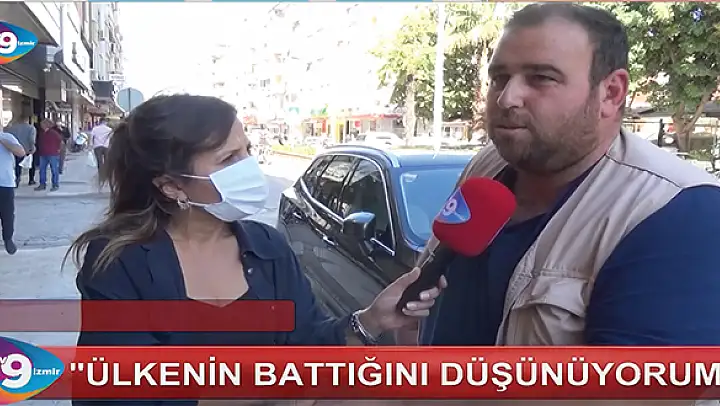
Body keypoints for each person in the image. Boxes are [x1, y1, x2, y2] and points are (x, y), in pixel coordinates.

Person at [67, 95, 445, 405]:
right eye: (228, 158)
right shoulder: (120, 262)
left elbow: (310, 345)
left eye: (247, 150)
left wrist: (373, 318)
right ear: (171, 186)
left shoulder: (266, 247)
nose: (248, 166)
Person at [414, 3, 720, 348]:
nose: (507, 98)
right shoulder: (488, 164)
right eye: (499, 78)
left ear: (611, 93)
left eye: (541, 78)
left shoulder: (681, 214)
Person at [0, 126, 26, 254]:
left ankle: (8, 239)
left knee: (7, 214)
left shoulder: (7, 137)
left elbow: (21, 152)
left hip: (5, 182)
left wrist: (2, 140)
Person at [5, 113, 36, 187]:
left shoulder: (12, 128)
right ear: (27, 120)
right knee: (31, 165)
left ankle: (17, 179)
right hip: (26, 149)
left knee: (17, 165)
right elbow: (31, 139)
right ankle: (31, 180)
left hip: (15, 149)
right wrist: (33, 147)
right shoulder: (31, 128)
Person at [35, 119, 63, 192]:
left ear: (47, 125)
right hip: (43, 153)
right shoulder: (42, 133)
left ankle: (55, 184)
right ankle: (42, 184)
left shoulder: (53, 133)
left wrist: (58, 149)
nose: (41, 125)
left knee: (54, 170)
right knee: (42, 170)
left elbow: (60, 141)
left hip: (52, 153)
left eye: (43, 124)